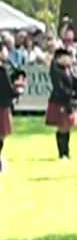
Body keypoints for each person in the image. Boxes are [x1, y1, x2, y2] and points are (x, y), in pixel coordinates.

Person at [46, 49, 77, 160]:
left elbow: (74, 81)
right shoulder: (56, 69)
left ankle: (66, 152)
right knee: (62, 126)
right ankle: (62, 152)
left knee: (67, 126)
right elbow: (59, 86)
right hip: (60, 101)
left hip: (68, 101)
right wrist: (71, 93)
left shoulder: (67, 69)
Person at [0, 43, 25, 172]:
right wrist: (18, 91)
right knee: (1, 135)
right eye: (4, 51)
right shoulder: (2, 70)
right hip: (2, 105)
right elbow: (7, 90)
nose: (7, 54)